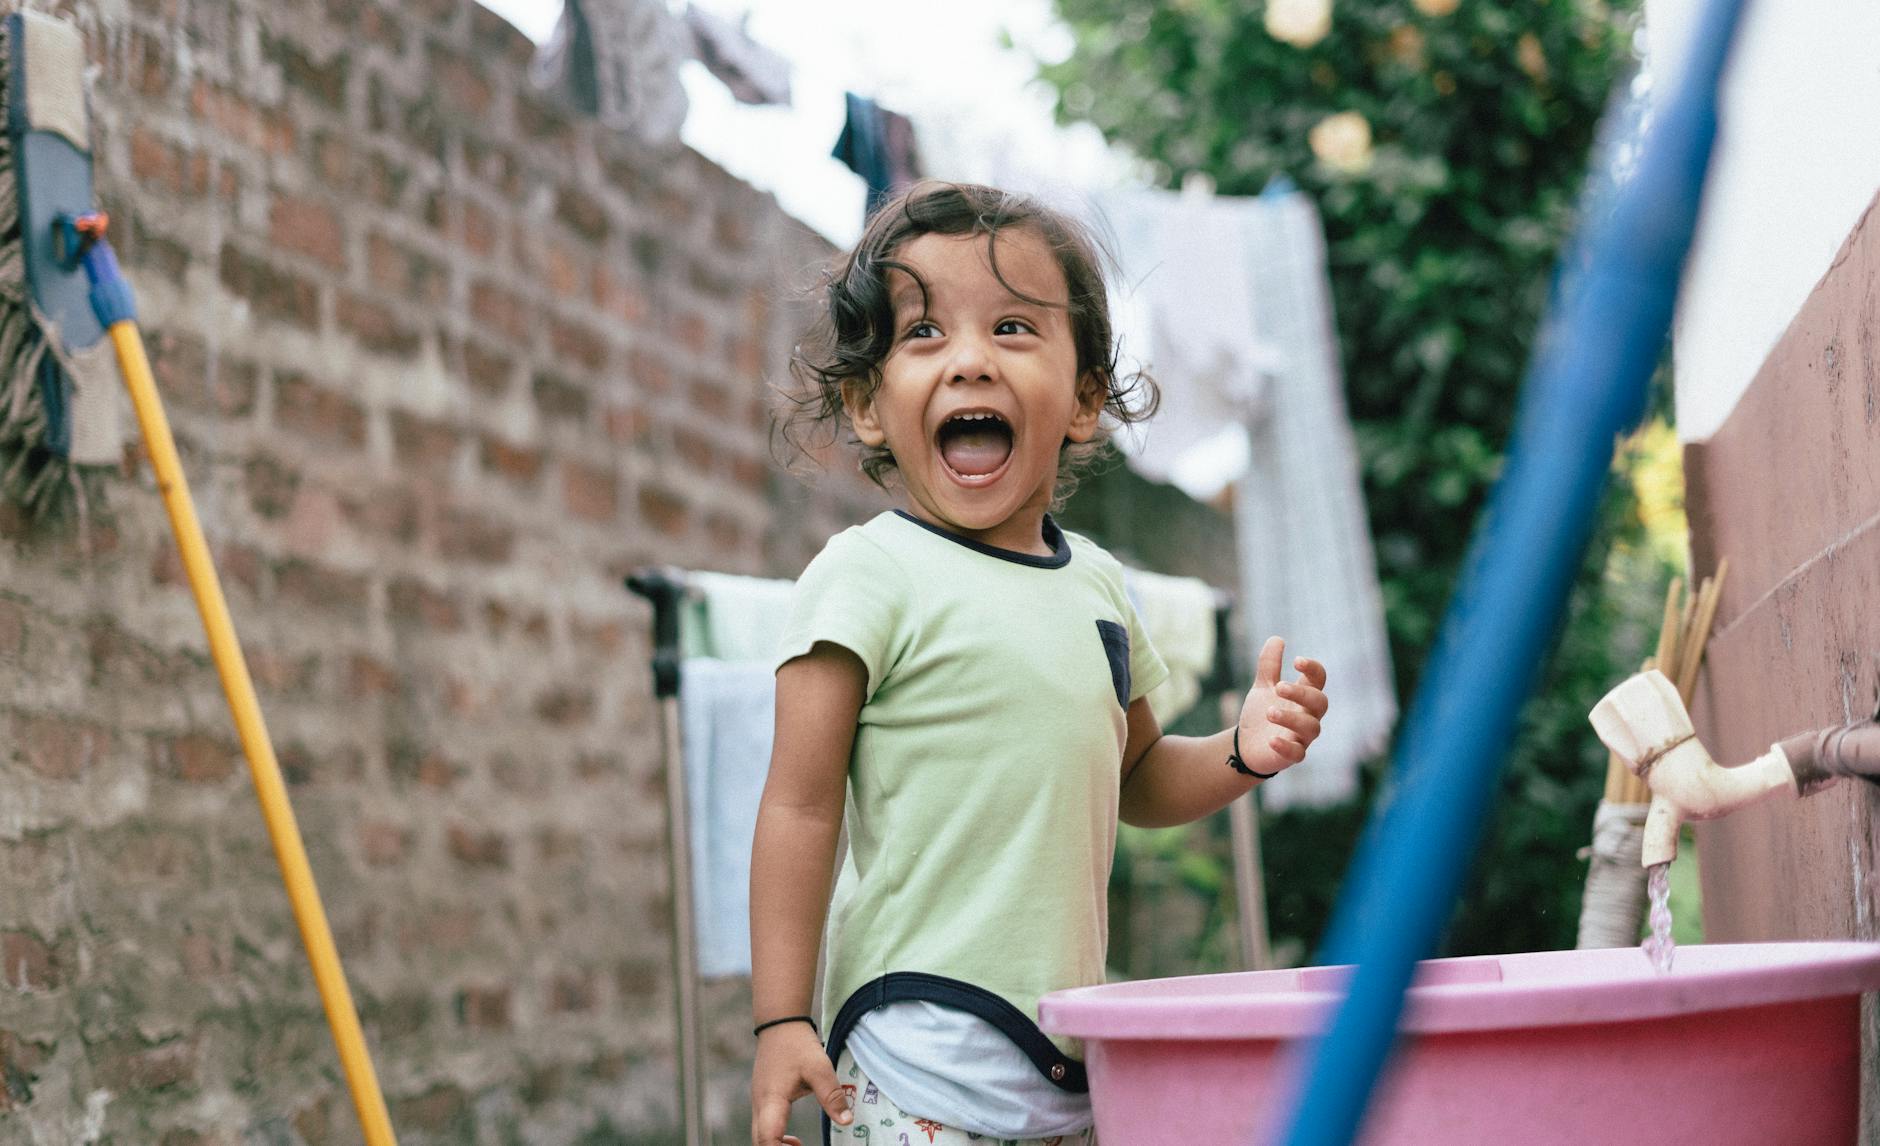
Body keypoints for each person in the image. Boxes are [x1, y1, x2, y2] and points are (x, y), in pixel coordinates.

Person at [750, 182, 1330, 1146]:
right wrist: (780, 1019)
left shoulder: (1100, 586)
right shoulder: (867, 574)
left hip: (1067, 1062)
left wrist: (1243, 749)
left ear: (1085, 400)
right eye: (924, 334)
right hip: (915, 1055)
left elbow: (1137, 778)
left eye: (1013, 327)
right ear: (865, 405)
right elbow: (799, 806)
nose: (971, 359)